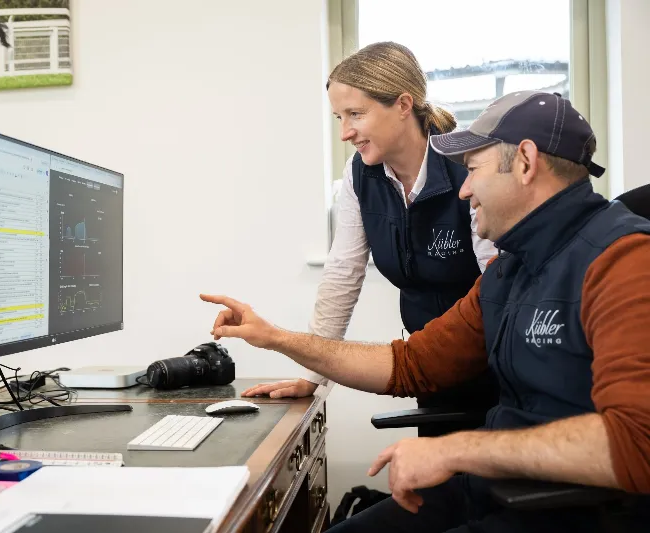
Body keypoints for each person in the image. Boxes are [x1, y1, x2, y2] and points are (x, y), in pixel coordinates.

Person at [202, 90, 650, 532]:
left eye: (474, 169)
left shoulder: (624, 261)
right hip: (494, 491)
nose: (465, 189)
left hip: (571, 511)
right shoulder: (510, 269)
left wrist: (454, 451)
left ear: (527, 163)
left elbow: (636, 445)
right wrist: (278, 338)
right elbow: (410, 363)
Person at [242, 42, 498, 435]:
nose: (345, 132)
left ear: (402, 104)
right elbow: (343, 273)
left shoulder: (467, 167)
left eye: (356, 114)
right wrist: (314, 376)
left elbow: (499, 287)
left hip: (496, 370)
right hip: (430, 370)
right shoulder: (361, 174)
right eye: (339, 117)